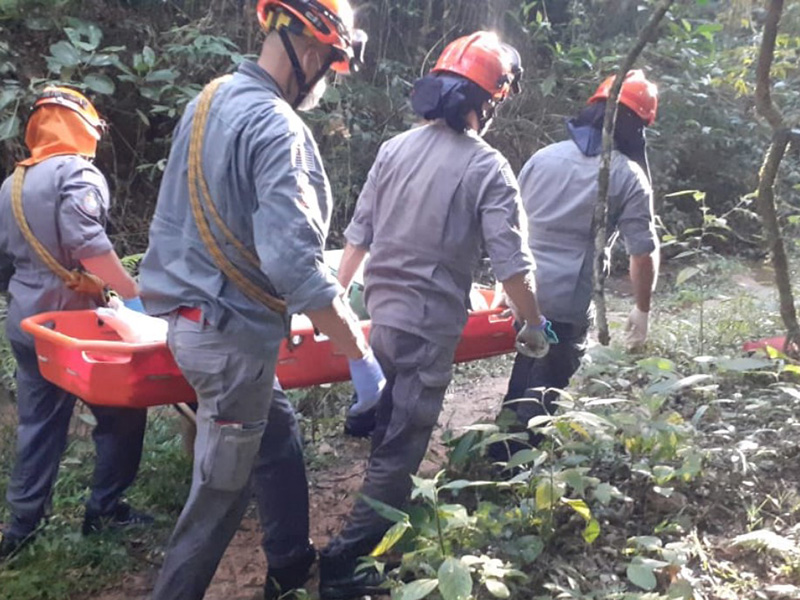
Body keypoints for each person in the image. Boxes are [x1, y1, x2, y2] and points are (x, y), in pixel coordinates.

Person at [137, 1, 382, 599]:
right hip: (229, 339)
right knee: (219, 497)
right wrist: (359, 358)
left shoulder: (208, 101)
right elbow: (296, 264)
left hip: (192, 321)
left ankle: (291, 563)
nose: (326, 78)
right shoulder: (276, 126)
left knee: (277, 432)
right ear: (309, 51)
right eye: (329, 62)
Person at [321, 31, 555, 599]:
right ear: (488, 100)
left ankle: (371, 454)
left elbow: (357, 237)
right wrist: (532, 325)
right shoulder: (489, 167)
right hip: (428, 331)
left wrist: (333, 302)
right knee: (402, 448)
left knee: (388, 422)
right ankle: (347, 565)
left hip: (379, 319)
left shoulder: (393, 149)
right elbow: (513, 269)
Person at [0, 87, 151, 559]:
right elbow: (87, 243)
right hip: (78, 326)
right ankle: (105, 507)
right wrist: (133, 291)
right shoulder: (78, 173)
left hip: (29, 322)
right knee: (123, 411)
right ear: (81, 126)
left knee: (38, 424)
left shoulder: (12, 184)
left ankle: (21, 527)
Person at [493, 69, 660, 458]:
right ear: (638, 127)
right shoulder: (628, 175)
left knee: (526, 364)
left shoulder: (542, 158)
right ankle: (515, 469)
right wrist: (642, 309)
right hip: (568, 301)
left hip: (524, 291)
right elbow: (642, 251)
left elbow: (509, 227)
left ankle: (496, 450)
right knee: (547, 387)